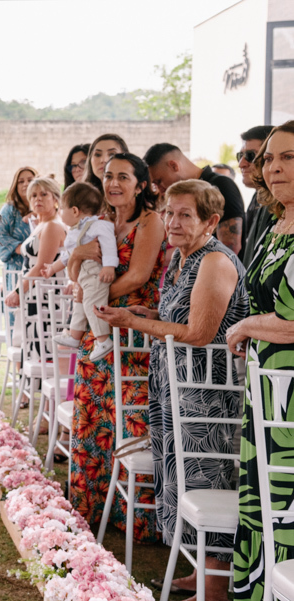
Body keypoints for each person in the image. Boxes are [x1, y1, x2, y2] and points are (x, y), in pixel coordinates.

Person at [96, 180, 247, 601]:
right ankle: (198, 574)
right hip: (175, 388)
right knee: (181, 478)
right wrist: (140, 312)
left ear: (211, 220)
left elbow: (199, 333)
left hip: (209, 396)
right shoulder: (181, 259)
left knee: (208, 480)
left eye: (184, 214)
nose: (172, 221)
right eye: (168, 212)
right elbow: (174, 316)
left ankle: (215, 586)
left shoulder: (215, 262)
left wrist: (135, 323)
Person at [67, 152, 166, 540]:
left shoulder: (151, 221)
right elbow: (75, 273)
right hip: (98, 328)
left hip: (133, 330)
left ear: (141, 185)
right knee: (93, 412)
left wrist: (95, 295)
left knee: (129, 418)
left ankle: (134, 518)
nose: (114, 183)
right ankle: (91, 505)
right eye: (108, 176)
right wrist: (77, 258)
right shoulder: (99, 221)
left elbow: (139, 274)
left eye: (124, 177)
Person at [226, 120, 294, 601]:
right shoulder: (276, 224)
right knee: (262, 498)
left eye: (288, 157)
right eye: (268, 158)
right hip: (266, 389)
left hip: (291, 398)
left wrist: (247, 327)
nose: (273, 166)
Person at [44, 181, 118, 361]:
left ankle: (103, 339)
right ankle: (74, 335)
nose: (59, 213)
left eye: (62, 209)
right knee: (79, 302)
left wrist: (109, 265)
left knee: (91, 304)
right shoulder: (76, 230)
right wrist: (53, 267)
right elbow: (69, 255)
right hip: (83, 274)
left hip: (94, 272)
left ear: (75, 211)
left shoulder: (98, 225)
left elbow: (108, 244)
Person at [144, 142, 246, 257]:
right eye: (170, 213)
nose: (159, 189)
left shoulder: (221, 185)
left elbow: (230, 247)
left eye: (159, 181)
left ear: (174, 166)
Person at [3, 176, 67, 309]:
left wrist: (17, 291)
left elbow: (41, 267)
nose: (37, 198)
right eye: (33, 195)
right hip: (33, 292)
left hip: (46, 296)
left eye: (44, 194)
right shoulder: (41, 224)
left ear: (55, 199)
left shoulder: (52, 226)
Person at [239, 125, 275, 269]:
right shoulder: (259, 195)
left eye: (250, 156)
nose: (241, 163)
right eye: (240, 156)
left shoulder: (279, 201)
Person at [0, 166, 36, 288]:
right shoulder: (8, 210)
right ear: (15, 186)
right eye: (21, 181)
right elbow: (0, 236)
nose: (26, 184)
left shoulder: (44, 207)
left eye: (30, 180)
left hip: (41, 269)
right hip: (17, 270)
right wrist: (25, 249)